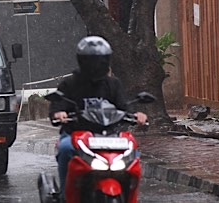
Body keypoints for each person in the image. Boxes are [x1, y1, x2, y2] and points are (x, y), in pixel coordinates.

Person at [49, 36, 148, 190]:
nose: (96, 65)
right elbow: (57, 105)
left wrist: (136, 115)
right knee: (65, 149)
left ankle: (130, 191)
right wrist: (59, 114)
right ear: (82, 61)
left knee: (132, 149)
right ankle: (65, 193)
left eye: (100, 60)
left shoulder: (113, 84)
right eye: (91, 60)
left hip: (110, 135)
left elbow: (123, 106)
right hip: (76, 133)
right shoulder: (69, 84)